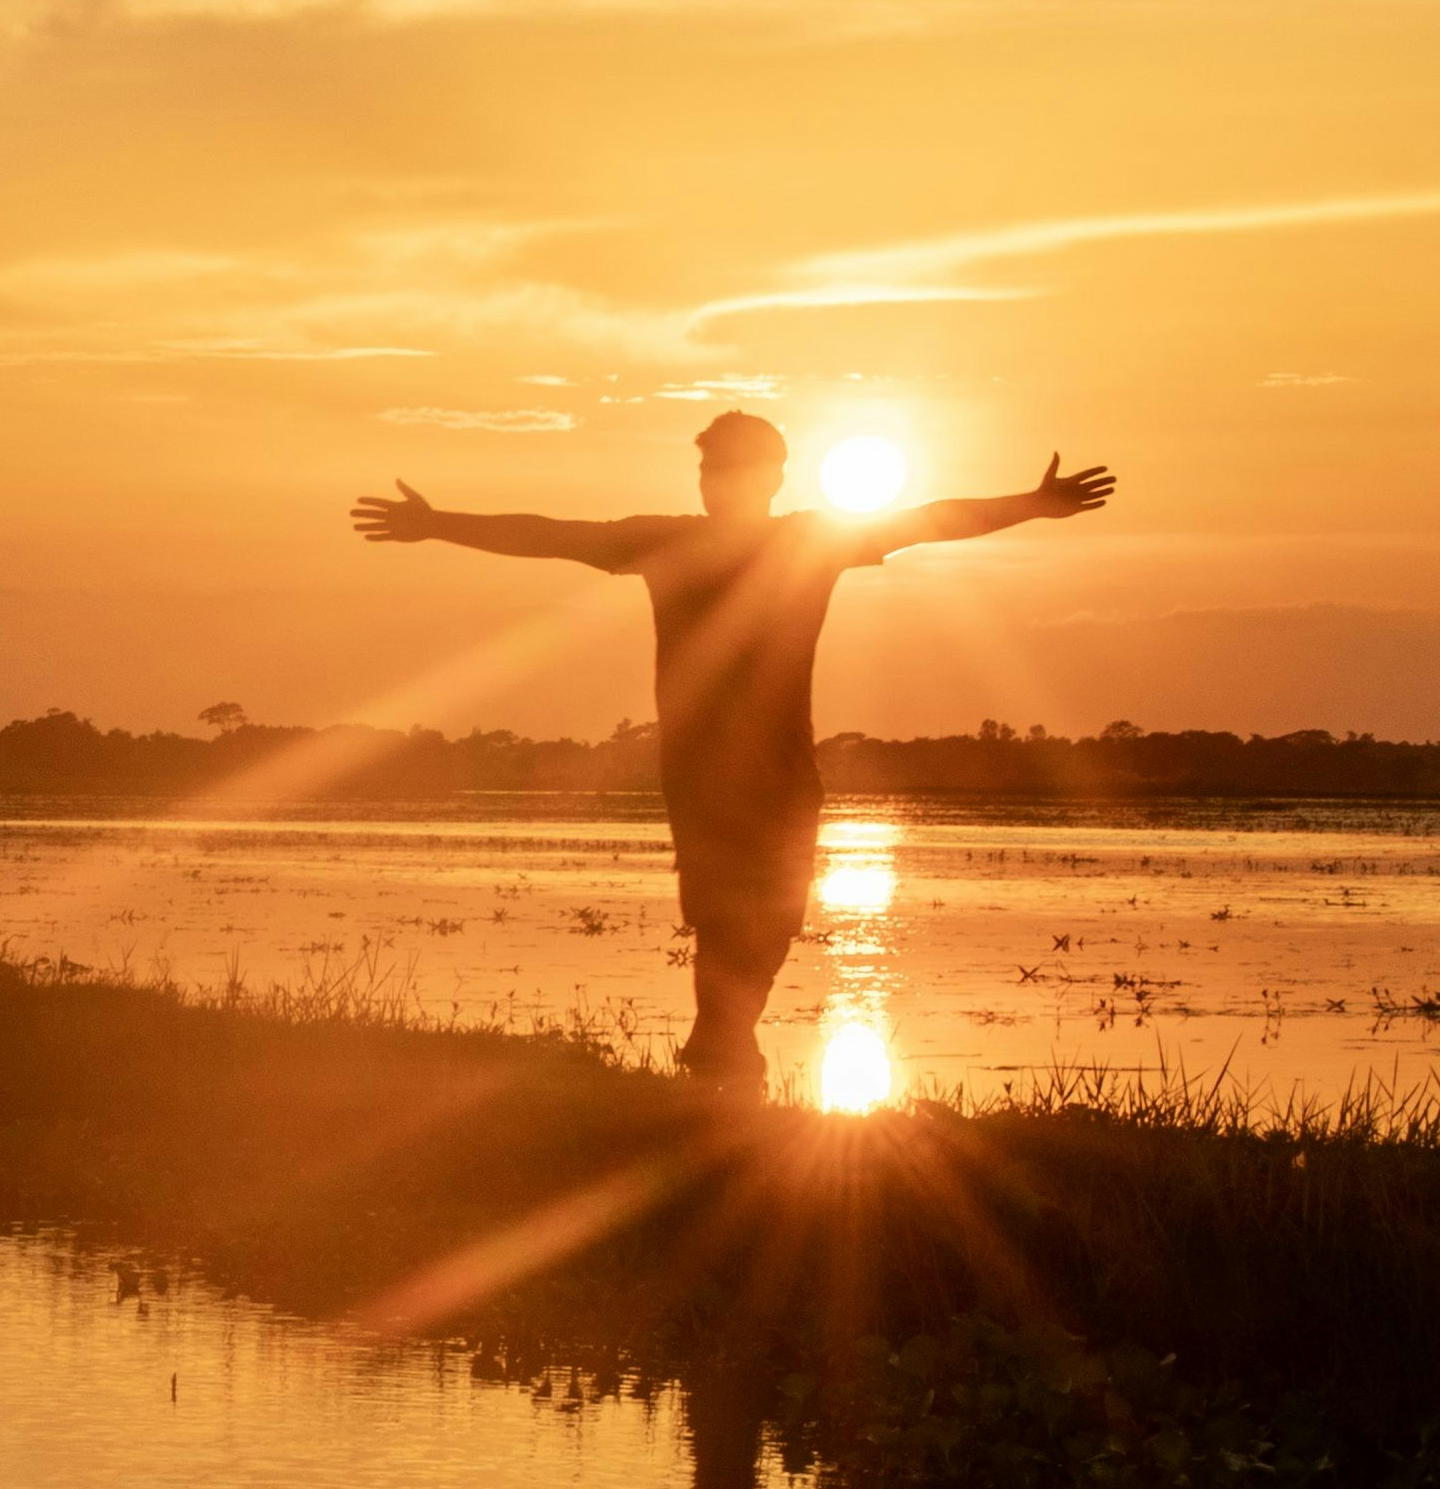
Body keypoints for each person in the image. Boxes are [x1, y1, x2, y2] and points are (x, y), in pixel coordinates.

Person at [351, 414, 1114, 1088]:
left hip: (785, 767)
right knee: (721, 916)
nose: (720, 482)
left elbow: (930, 520)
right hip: (701, 769)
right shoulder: (665, 538)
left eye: (737, 469)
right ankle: (722, 1059)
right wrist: (437, 521)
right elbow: (550, 533)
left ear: (775, 477)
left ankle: (720, 1048)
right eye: (710, 469)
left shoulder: (810, 540)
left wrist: (1033, 505)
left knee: (776, 916)